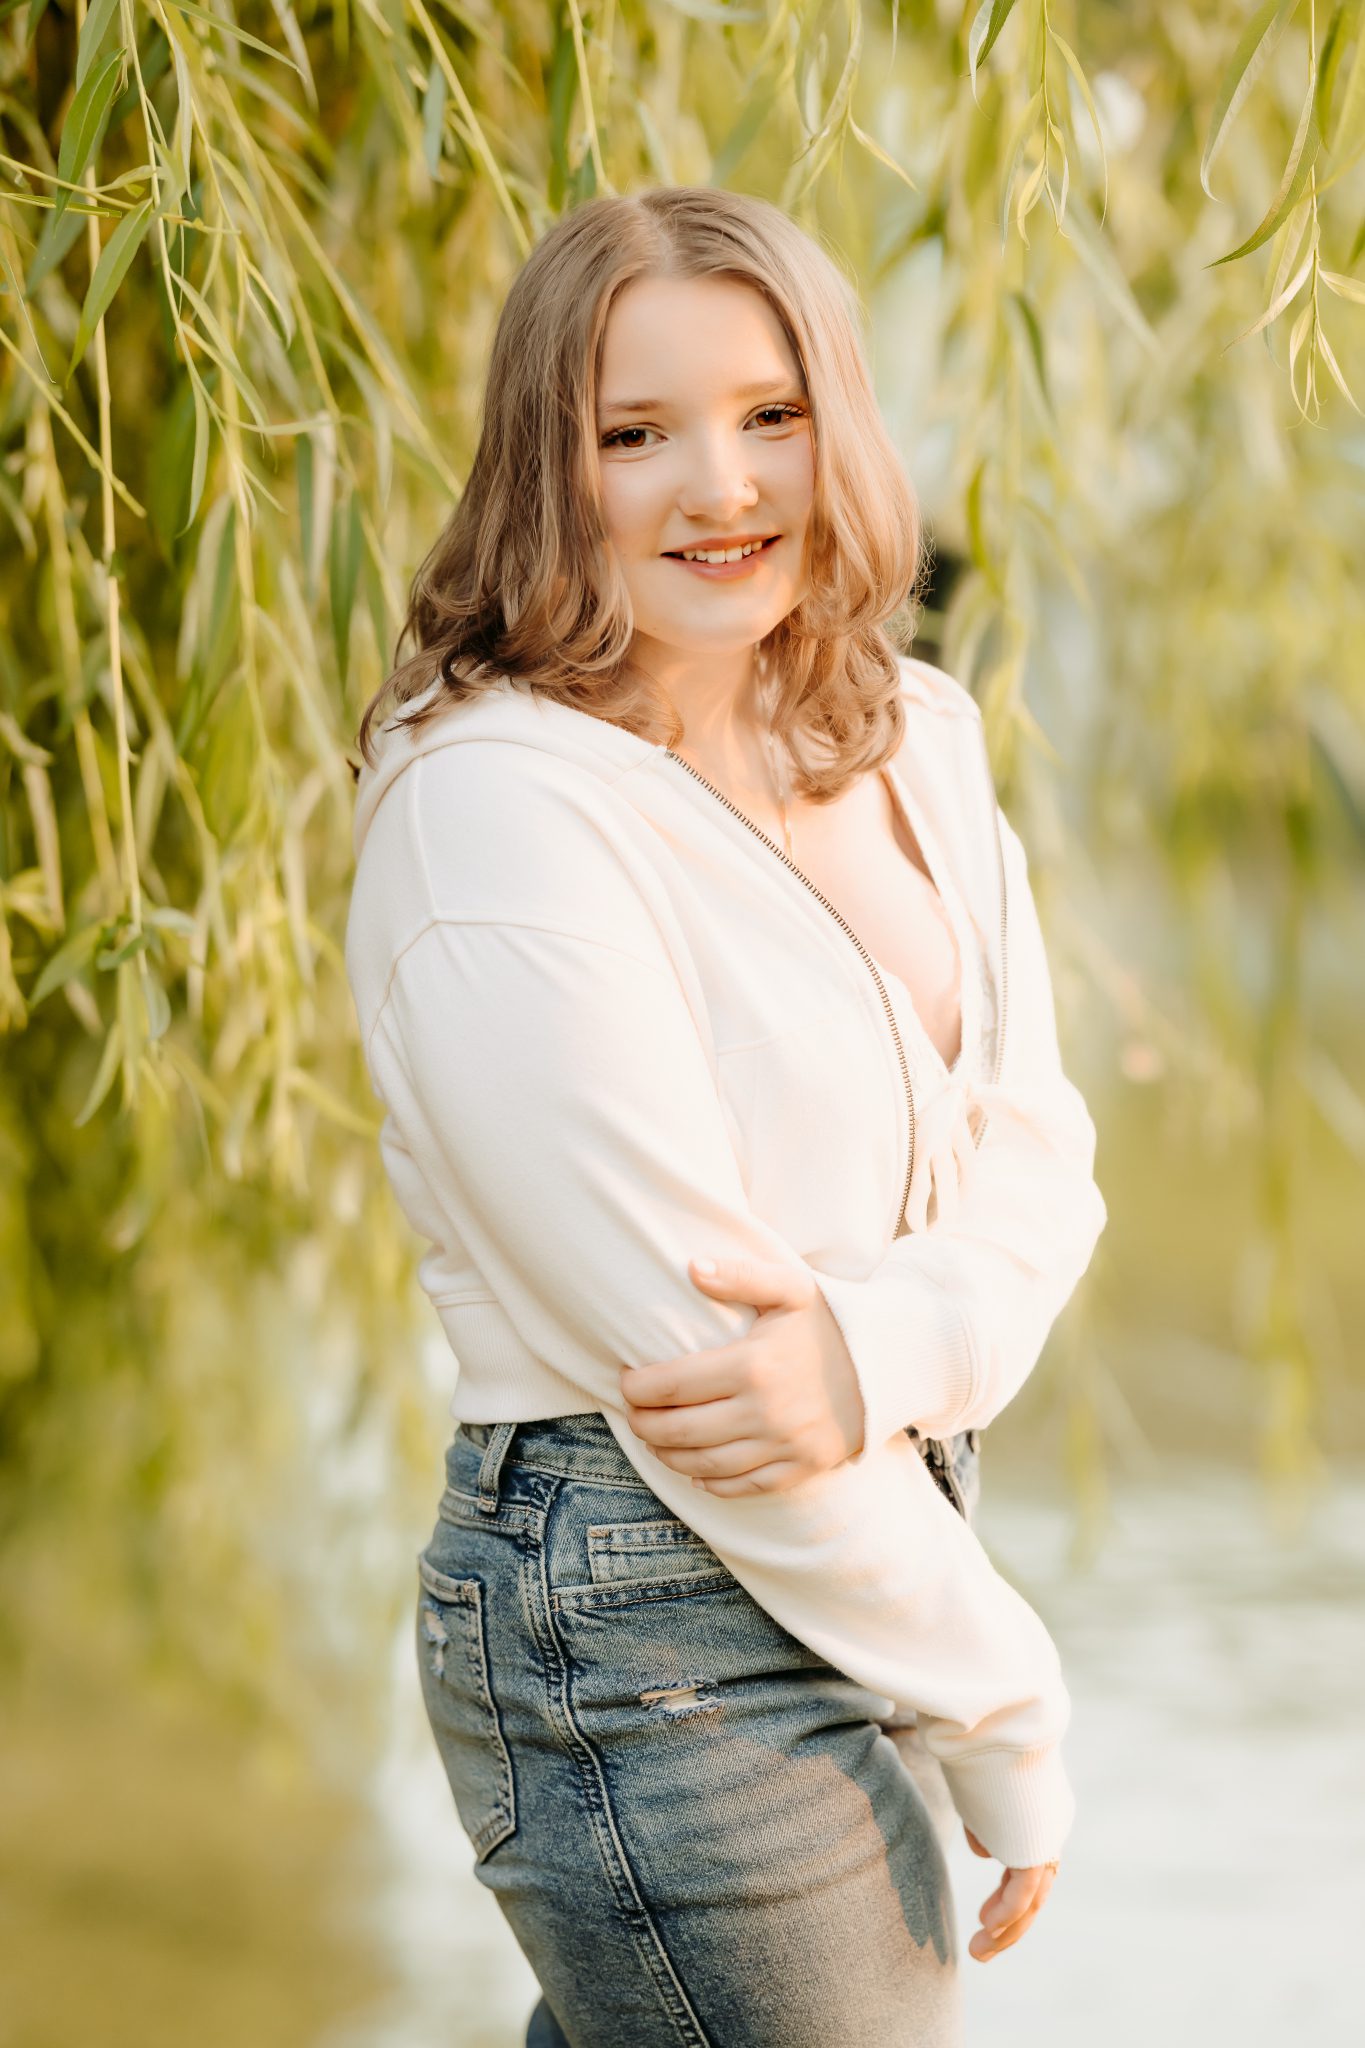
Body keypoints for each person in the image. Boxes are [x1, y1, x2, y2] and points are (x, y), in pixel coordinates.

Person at [345, 186, 1107, 2047]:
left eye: (769, 414)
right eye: (635, 433)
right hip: (638, 1609)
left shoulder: (913, 730)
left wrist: (874, 1346)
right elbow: (697, 1374)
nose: (720, 486)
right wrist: (1002, 1705)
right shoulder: (495, 808)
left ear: (836, 419)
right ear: (550, 462)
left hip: (871, 1523)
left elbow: (1039, 1158)